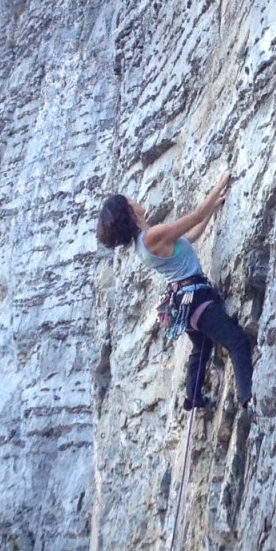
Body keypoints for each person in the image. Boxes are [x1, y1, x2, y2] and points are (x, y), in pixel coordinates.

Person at [96, 174, 254, 413]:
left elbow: (191, 236)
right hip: (197, 298)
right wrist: (220, 182)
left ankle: (193, 397)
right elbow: (195, 216)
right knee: (237, 343)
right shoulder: (152, 236)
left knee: (201, 348)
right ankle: (248, 399)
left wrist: (214, 208)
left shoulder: (144, 243)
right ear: (130, 210)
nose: (136, 200)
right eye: (131, 200)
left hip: (185, 304)